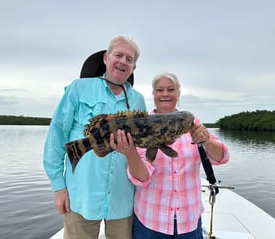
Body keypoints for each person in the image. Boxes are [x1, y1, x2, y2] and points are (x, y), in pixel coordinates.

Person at [43, 35, 146, 239]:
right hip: (81, 196)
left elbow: (142, 151)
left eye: (129, 59)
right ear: (106, 58)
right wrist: (58, 187)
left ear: (133, 68)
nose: (123, 61)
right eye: (118, 55)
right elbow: (56, 137)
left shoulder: (138, 100)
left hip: (122, 199)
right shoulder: (78, 88)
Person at [110, 73, 230, 239]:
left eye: (170, 89)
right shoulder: (143, 125)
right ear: (154, 95)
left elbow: (222, 157)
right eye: (160, 90)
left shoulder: (191, 122)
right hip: (151, 222)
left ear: (178, 94)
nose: (165, 94)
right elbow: (141, 178)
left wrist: (207, 140)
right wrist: (130, 153)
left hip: (189, 222)